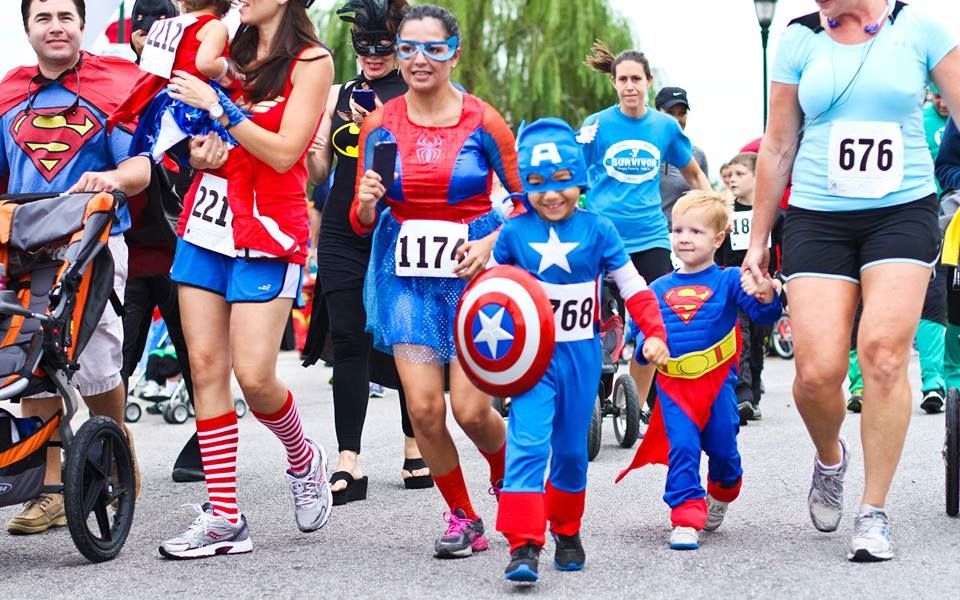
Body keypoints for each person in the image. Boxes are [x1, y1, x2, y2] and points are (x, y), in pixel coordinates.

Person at [744, 0, 960, 562]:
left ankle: (874, 511)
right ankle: (830, 459)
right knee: (816, 374)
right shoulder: (799, 38)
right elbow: (778, 143)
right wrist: (758, 240)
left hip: (903, 210)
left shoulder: (920, 28)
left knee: (884, 355)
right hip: (819, 215)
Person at [157, 0, 335, 559]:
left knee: (255, 377)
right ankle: (224, 518)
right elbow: (198, 132)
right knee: (206, 367)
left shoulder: (312, 61)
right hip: (207, 221)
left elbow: (285, 155)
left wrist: (222, 109)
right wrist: (199, 151)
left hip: (268, 227)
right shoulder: (223, 50)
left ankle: (302, 458)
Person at [352, 4, 522, 558]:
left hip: (474, 269)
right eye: (407, 48)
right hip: (407, 275)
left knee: (472, 411)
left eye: (433, 48)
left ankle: (511, 483)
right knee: (424, 410)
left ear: (455, 54)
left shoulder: (484, 120)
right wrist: (367, 203)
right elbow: (361, 219)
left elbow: (524, 205)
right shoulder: (380, 124)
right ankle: (464, 517)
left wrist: (491, 244)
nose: (419, 59)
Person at [490, 118, 669, 583]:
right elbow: (486, 296)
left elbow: (634, 286)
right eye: (538, 184)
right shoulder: (512, 234)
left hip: (582, 356)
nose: (551, 195)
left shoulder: (599, 230)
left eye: (562, 182)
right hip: (531, 360)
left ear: (580, 180)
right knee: (527, 446)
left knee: (571, 452)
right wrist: (486, 355)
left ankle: (566, 530)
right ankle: (523, 543)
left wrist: (653, 332)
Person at [0, 0, 151, 535]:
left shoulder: (116, 87)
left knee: (98, 356)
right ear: (27, 29)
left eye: (65, 16)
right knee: (28, 355)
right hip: (23, 249)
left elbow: (140, 166)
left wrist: (112, 178)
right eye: (43, 18)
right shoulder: (7, 94)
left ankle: (114, 450)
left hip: (96, 241)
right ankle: (48, 488)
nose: (56, 27)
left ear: (82, 26)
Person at [303, 0, 431, 505]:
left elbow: (423, 161)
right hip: (341, 230)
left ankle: (414, 446)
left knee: (404, 337)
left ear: (399, 46)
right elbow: (318, 172)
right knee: (349, 337)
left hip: (398, 229)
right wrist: (313, 141)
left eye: (383, 46)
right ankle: (348, 460)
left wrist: (378, 122)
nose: (374, 55)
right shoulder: (338, 93)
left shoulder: (416, 94)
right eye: (365, 45)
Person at [619, 191, 781, 551]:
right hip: (674, 388)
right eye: (678, 230)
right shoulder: (657, 289)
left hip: (718, 384)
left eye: (696, 231)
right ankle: (685, 516)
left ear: (718, 239)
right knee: (682, 448)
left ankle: (723, 489)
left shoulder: (729, 280)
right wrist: (648, 345)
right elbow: (643, 329)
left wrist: (766, 295)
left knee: (724, 449)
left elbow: (762, 315)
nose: (685, 238)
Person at [580, 42, 711, 409]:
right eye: (622, 79)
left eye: (636, 79)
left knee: (656, 321)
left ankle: (637, 405)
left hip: (650, 238)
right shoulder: (596, 126)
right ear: (613, 83)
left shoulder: (664, 127)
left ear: (648, 81)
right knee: (597, 323)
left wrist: (716, 209)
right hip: (603, 240)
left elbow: (694, 174)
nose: (630, 86)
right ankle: (596, 398)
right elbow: (572, 175)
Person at [848, 82, 952, 415]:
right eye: (937, 96)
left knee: (934, 295)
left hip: (931, 212)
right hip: (875, 212)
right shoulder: (911, 120)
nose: (943, 102)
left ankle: (933, 382)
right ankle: (859, 384)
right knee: (861, 300)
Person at [716, 152, 778, 423]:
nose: (732, 180)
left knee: (757, 341)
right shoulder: (725, 216)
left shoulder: (773, 214)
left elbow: (782, 249)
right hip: (734, 285)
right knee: (738, 335)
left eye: (740, 174)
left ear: (757, 177)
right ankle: (741, 394)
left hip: (763, 287)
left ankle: (753, 393)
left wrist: (779, 278)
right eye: (729, 175)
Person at [656, 86, 709, 226]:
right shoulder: (643, 151)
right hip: (646, 232)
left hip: (683, 232)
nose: (677, 119)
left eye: (682, 113)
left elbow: (705, 201)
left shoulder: (698, 155)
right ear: (657, 113)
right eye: (670, 112)